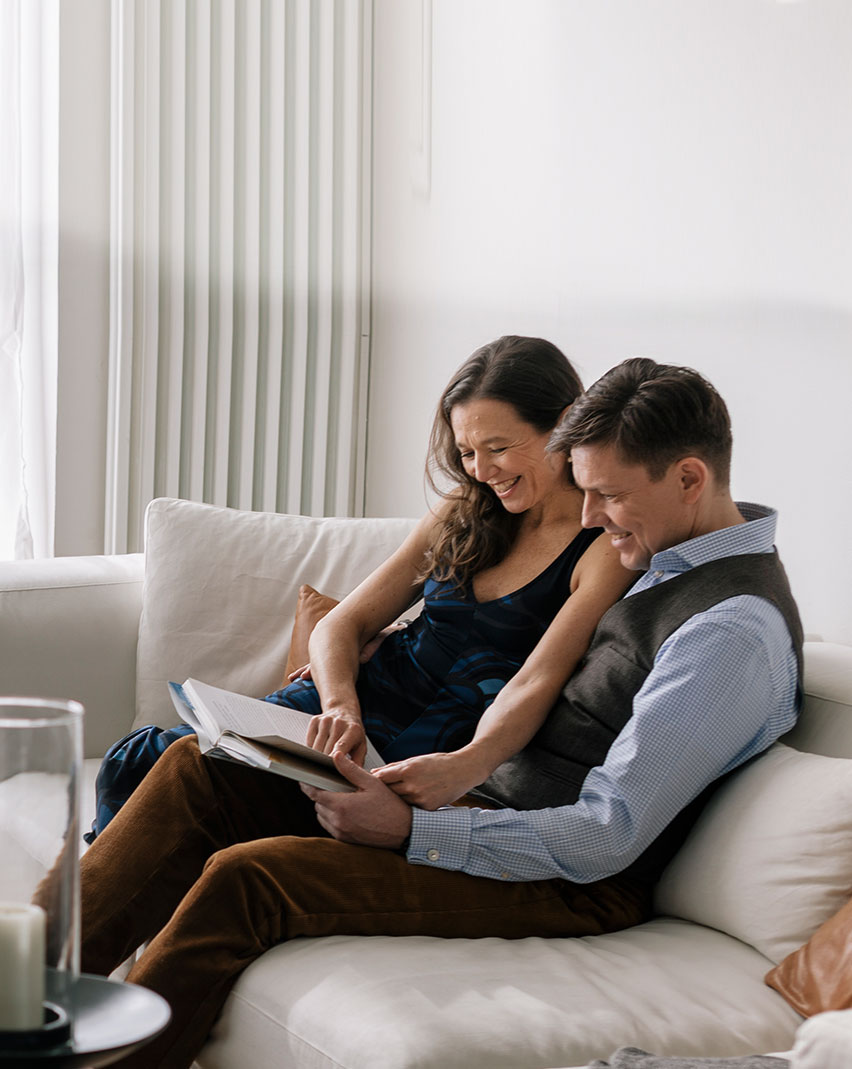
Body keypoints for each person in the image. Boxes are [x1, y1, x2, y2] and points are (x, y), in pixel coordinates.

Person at [72, 358, 802, 1069]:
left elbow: (607, 837)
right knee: (191, 773)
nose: (587, 515)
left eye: (606, 494)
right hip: (490, 804)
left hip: (572, 883)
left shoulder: (728, 631)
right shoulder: (667, 560)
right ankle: (16, 1010)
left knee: (250, 878)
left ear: (688, 478)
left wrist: (416, 827)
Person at [89, 336, 637, 841]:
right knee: (142, 758)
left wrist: (466, 766)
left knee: (209, 793)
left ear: (564, 424)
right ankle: (98, 915)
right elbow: (341, 626)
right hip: (342, 719)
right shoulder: (463, 511)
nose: (481, 471)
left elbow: (536, 683)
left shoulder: (603, 549)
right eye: (468, 452)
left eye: (498, 446)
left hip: (432, 747)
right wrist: (342, 709)